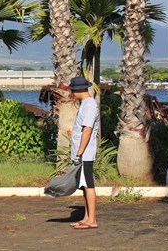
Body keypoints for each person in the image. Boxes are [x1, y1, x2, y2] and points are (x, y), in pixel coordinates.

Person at [67, 77, 100, 229]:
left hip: (85, 154)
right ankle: (86, 217)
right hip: (80, 153)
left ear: (77, 90)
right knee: (83, 185)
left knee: (88, 185)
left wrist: (80, 152)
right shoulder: (85, 104)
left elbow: (87, 130)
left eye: (72, 90)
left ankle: (92, 220)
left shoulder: (90, 105)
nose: (72, 93)